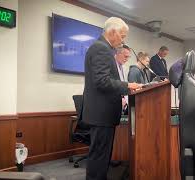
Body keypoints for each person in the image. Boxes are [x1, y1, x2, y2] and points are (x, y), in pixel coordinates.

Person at [82, 17, 142, 180]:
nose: (123, 41)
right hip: (101, 114)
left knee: (102, 156)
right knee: (99, 156)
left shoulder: (103, 48)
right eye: (122, 36)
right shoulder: (101, 48)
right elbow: (102, 81)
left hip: (103, 114)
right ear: (112, 32)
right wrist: (127, 85)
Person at [115, 45, 131, 114]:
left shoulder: (123, 67)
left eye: (128, 57)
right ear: (118, 54)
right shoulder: (111, 65)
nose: (127, 59)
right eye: (125, 56)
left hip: (122, 103)